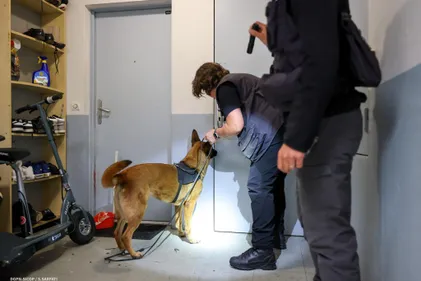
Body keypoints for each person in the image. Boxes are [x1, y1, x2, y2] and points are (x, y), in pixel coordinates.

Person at [249, 0, 367, 280]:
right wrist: (275, 41)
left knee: (326, 232)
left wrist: (297, 138)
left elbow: (320, 67)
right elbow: (306, 58)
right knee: (315, 225)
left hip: (326, 123)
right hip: (322, 122)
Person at [191, 63, 288, 270]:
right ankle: (276, 238)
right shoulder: (242, 80)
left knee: (259, 188)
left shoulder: (225, 88)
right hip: (283, 132)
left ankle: (263, 251)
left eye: (207, 93)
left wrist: (216, 133)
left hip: (270, 136)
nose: (211, 97)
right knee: (273, 186)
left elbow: (235, 125)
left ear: (208, 86)